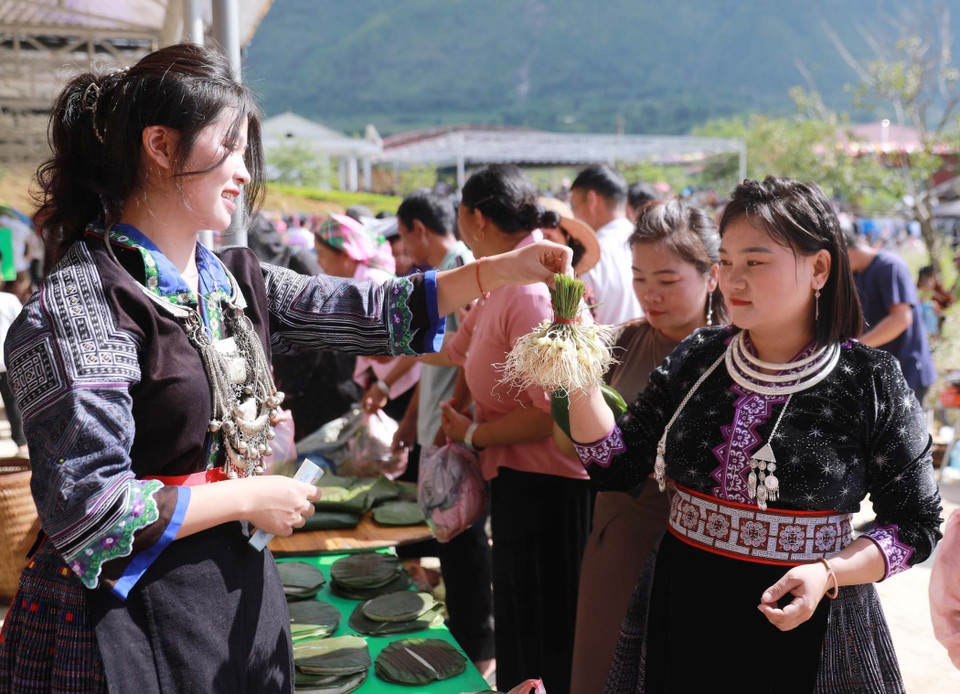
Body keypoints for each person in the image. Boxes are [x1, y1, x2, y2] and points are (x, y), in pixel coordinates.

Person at [0, 44, 572, 693]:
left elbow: (366, 307)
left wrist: (499, 271)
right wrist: (248, 495)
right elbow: (91, 510)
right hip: (125, 629)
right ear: (159, 145)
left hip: (233, 598)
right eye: (231, 146)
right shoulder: (80, 306)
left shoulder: (230, 281)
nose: (244, 171)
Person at [567, 176, 942, 693]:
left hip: (807, 619)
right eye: (727, 261)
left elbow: (916, 526)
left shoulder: (868, 378)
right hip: (684, 606)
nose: (732, 280)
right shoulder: (699, 357)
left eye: (756, 262)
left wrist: (828, 573)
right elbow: (615, 465)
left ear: (819, 268)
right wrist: (575, 375)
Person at [432, 164, 593, 694]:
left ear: (475, 217)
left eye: (459, 218)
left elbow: (552, 411)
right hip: (520, 484)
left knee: (546, 638)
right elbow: (460, 351)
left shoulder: (527, 291)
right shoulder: (504, 277)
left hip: (549, 488)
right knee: (524, 632)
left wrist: (473, 435)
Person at [570, 199, 723, 694]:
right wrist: (567, 375)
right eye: (639, 278)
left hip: (702, 549)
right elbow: (566, 442)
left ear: (712, 276)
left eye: (667, 279)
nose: (649, 295)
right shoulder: (616, 344)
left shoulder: (742, 355)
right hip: (619, 540)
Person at [391, 189, 495, 672]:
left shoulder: (459, 271)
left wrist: (452, 418)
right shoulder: (440, 275)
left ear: (419, 229)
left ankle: (475, 641)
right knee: (452, 536)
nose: (402, 248)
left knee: (464, 538)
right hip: (443, 424)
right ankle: (465, 630)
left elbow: (467, 358)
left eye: (404, 236)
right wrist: (415, 421)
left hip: (455, 427)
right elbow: (435, 362)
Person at [845, 227, 936, 405]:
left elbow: (901, 319)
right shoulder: (857, 274)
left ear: (843, 251)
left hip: (907, 371)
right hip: (884, 376)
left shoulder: (889, 266)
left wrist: (855, 347)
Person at [569, 165, 643, 325]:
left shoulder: (589, 256)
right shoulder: (647, 243)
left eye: (574, 206)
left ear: (592, 200)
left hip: (606, 349)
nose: (574, 215)